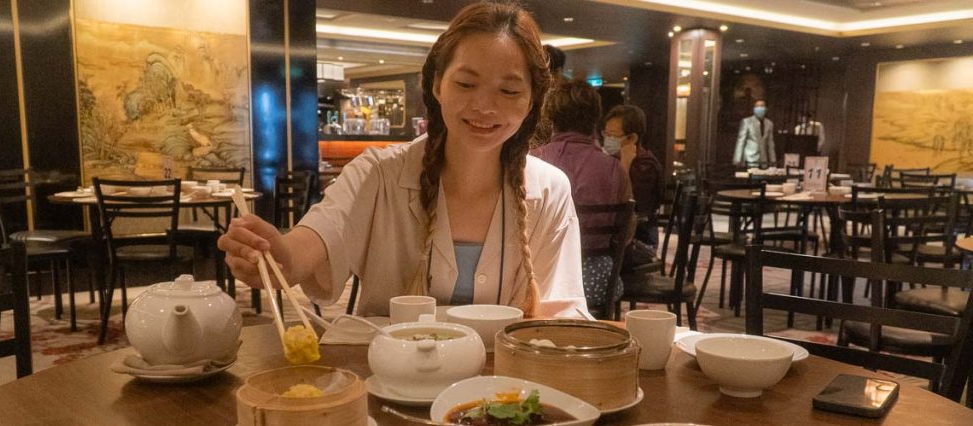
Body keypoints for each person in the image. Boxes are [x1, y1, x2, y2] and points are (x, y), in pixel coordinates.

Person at [218, 2, 587, 318]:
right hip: (388, 388)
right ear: (437, 84)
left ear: (531, 102)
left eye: (508, 90)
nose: (485, 107)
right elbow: (313, 241)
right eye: (466, 84)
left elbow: (561, 315)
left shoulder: (549, 192)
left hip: (504, 394)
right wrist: (278, 257)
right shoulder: (378, 174)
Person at [532, 80, 631, 311]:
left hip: (541, 280)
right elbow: (626, 234)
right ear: (594, 118)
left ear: (552, 117)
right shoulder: (614, 168)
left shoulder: (533, 161)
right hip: (599, 282)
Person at [603, 104, 663, 249]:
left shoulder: (646, 166)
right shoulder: (612, 159)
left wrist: (625, 165)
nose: (608, 139)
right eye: (606, 134)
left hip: (640, 241)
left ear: (632, 138)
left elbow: (632, 208)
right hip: (616, 237)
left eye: (613, 135)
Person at [733, 99, 776, 166]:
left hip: (763, 160)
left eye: (762, 106)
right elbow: (741, 141)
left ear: (766, 109)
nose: (760, 108)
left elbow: (770, 144)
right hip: (750, 158)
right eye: (757, 106)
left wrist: (773, 161)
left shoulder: (769, 123)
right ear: (754, 109)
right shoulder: (746, 122)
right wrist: (737, 159)